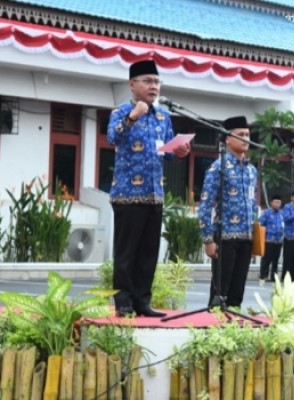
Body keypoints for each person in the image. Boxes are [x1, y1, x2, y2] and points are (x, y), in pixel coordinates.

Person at [107, 60, 190, 317]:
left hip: (155, 195)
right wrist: (133, 117)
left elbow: (166, 152)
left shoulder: (163, 116)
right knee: (126, 254)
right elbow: (113, 137)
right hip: (127, 195)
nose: (153, 87)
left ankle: (143, 301)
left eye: (156, 82)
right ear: (132, 85)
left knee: (148, 254)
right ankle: (124, 302)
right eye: (147, 81)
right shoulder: (120, 111)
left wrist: (179, 152)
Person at [198, 115, 258, 308]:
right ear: (228, 139)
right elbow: (205, 205)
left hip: (246, 238)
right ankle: (213, 330)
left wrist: (255, 239)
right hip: (225, 238)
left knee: (237, 293)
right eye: (240, 135)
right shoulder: (218, 168)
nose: (246, 138)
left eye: (248, 134)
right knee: (220, 293)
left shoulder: (251, 171)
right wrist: (208, 240)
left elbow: (253, 205)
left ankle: (232, 332)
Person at [258, 194, 285, 282]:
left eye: (279, 203)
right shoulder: (267, 213)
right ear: (271, 203)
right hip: (269, 239)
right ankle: (263, 275)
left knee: (276, 260)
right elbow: (261, 223)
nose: (277, 204)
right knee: (266, 259)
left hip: (278, 240)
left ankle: (274, 277)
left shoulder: (281, 213)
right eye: (275, 202)